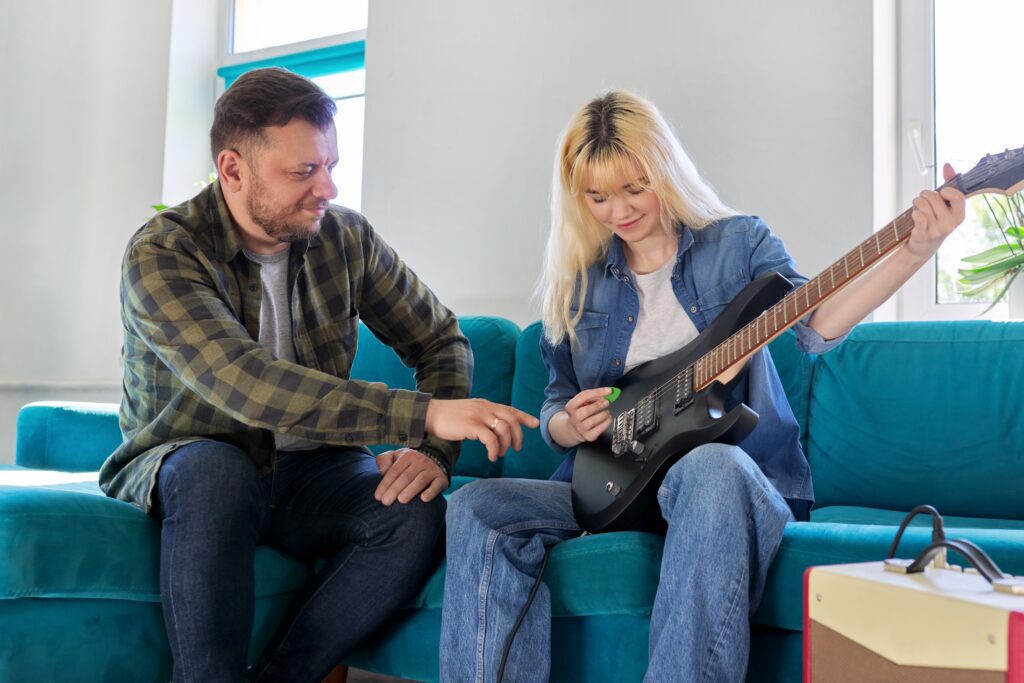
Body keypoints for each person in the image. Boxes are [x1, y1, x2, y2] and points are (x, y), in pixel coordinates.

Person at [439, 90, 965, 681]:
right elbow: (558, 401)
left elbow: (817, 325)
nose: (620, 211)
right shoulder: (580, 282)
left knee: (710, 466)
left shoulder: (738, 244)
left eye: (635, 187)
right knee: (480, 505)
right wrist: (569, 423)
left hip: (724, 483)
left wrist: (916, 250)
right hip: (611, 489)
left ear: (665, 167)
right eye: (598, 197)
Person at [98, 67, 538, 683]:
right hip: (199, 457)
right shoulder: (164, 253)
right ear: (232, 170)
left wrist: (433, 453)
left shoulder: (345, 237)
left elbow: (440, 338)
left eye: (331, 164)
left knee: (414, 511)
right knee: (216, 472)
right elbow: (246, 383)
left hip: (314, 468)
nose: (327, 187)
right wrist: (425, 413)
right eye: (304, 171)